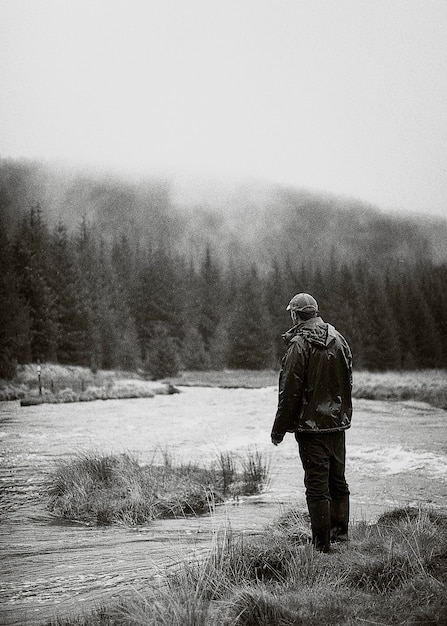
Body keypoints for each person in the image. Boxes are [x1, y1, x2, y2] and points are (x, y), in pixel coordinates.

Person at [271, 292, 353, 553]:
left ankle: (321, 547)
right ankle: (339, 537)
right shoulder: (339, 339)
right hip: (337, 425)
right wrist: (340, 414)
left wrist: (278, 431)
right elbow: (347, 381)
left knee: (317, 487)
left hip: (310, 427)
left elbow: (289, 392)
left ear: (295, 315)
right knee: (337, 481)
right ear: (315, 312)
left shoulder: (298, 345)